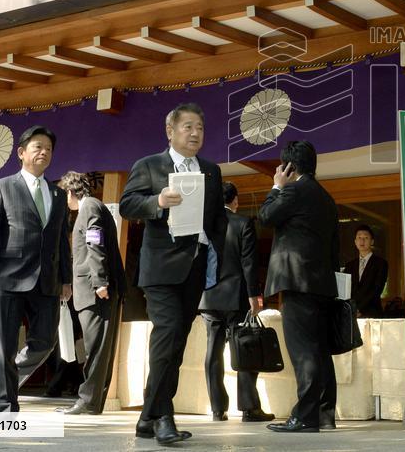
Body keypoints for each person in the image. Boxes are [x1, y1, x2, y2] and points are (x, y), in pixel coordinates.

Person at [120, 103, 227, 445]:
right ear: (171, 131)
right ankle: (163, 416)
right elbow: (127, 204)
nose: (195, 134)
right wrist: (158, 202)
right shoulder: (149, 165)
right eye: (188, 127)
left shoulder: (212, 170)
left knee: (176, 345)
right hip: (161, 269)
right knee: (166, 338)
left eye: (200, 128)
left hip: (195, 268)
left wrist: (220, 260)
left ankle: (146, 417)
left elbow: (218, 222)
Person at [0, 125, 72, 413]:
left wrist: (66, 278)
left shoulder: (58, 193)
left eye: (48, 148)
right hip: (8, 279)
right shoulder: (2, 186)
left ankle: (4, 373)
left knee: (45, 341)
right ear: (21, 152)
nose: (44, 152)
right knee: (3, 343)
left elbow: (61, 240)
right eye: (37, 146)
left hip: (48, 281)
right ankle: (6, 403)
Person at [259, 140, 340, 433]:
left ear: (289, 167)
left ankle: (305, 417)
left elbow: (265, 216)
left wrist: (277, 185)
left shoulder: (293, 190)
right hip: (323, 284)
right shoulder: (327, 199)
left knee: (304, 351)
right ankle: (325, 414)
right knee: (319, 350)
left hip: (296, 280)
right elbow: (335, 249)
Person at [198, 181, 274, 423]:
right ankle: (249, 408)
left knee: (213, 351)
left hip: (208, 297)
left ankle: (217, 408)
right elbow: (249, 264)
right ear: (235, 201)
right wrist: (254, 296)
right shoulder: (243, 223)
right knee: (244, 349)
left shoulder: (205, 226)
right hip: (235, 297)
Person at [56, 171, 126, 415]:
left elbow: (94, 243)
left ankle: (88, 400)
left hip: (96, 289)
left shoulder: (89, 207)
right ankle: (93, 402)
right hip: (93, 288)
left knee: (96, 346)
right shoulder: (91, 207)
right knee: (97, 346)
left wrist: (99, 281)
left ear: (69, 191)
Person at [343, 224, 388, 318]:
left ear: (372, 241)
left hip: (372, 313)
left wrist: (359, 309)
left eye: (366, 238)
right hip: (352, 313)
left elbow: (377, 290)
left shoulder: (381, 263)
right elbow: (346, 290)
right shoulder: (349, 265)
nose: (362, 241)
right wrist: (352, 309)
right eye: (359, 237)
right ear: (355, 241)